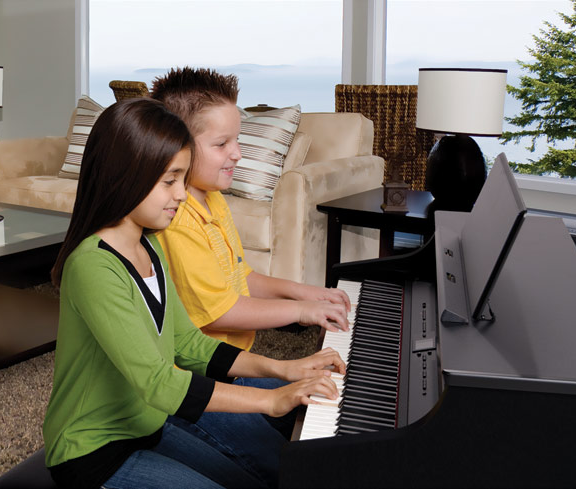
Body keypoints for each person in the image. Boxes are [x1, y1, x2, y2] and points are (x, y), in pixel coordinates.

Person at [42, 98, 345, 489]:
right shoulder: (92, 266)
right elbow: (158, 382)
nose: (182, 195)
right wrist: (272, 399)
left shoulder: (149, 245)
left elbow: (189, 345)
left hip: (146, 426)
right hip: (93, 453)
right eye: (169, 181)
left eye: (182, 180)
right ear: (126, 175)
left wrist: (283, 368)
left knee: (270, 477)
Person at [148, 67, 354, 478]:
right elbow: (219, 312)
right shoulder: (177, 219)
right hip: (199, 375)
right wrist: (302, 312)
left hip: (236, 363)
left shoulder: (213, 200)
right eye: (222, 143)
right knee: (282, 464)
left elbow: (241, 275)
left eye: (237, 140)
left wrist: (307, 294)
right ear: (179, 148)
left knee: (310, 409)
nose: (237, 153)